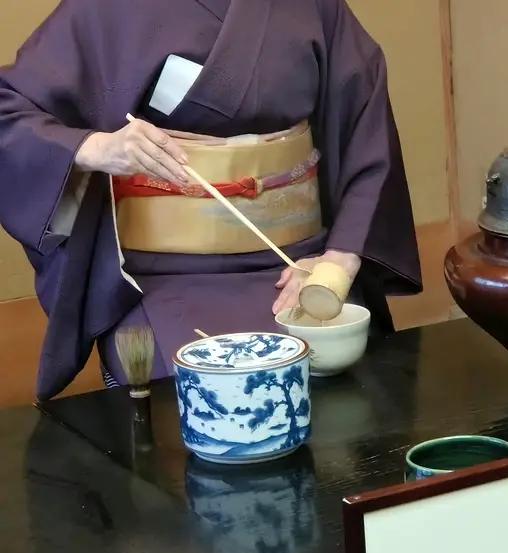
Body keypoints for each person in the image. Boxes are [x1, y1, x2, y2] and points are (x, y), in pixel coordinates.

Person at [0, 0, 422, 400]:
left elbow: (366, 127)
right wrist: (94, 148)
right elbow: (10, 113)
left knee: (357, 392)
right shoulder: (107, 7)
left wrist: (339, 261)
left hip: (300, 267)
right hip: (164, 278)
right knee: (195, 405)